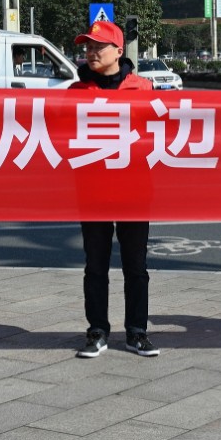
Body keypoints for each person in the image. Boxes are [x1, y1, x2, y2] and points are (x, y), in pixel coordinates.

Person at [70, 19, 157, 358]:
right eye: (87, 47)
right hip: (92, 192)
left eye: (98, 47)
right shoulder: (76, 93)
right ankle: (97, 331)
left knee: (136, 267)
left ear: (119, 51)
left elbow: (161, 134)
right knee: (96, 266)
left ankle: (137, 332)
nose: (91, 52)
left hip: (134, 191)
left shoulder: (143, 89)